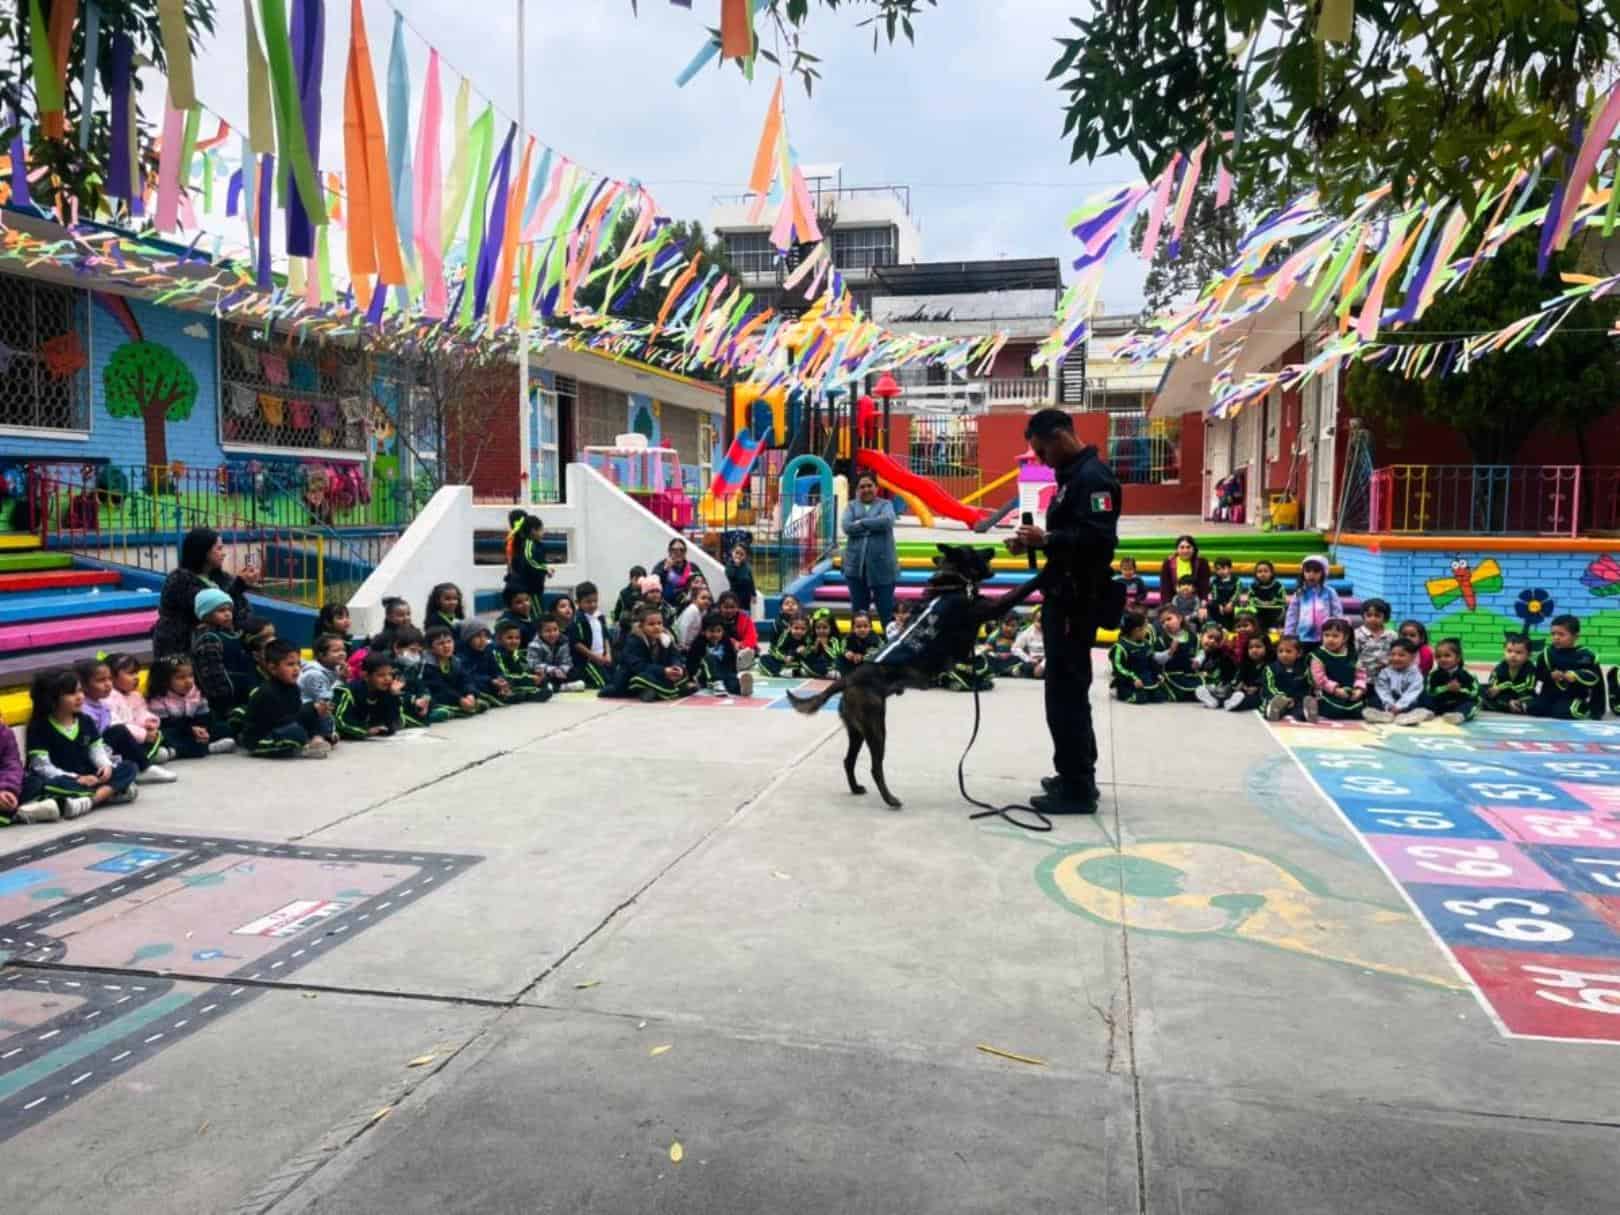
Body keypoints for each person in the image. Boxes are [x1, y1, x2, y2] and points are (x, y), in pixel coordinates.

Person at [1009, 409, 1122, 813]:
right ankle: (1075, 773)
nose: (1041, 460)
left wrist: (1049, 538)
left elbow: (1099, 540)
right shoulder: (1073, 476)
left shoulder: (1093, 478)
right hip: (1063, 596)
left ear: (1059, 437)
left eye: (1041, 451)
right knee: (1064, 692)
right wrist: (1036, 543)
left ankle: (1077, 788)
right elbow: (1069, 537)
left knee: (1067, 694)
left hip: (1078, 600)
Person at [23, 668, 139, 816]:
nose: (79, 697)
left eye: (80, 691)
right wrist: (77, 778)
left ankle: (92, 800)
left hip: (90, 777)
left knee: (129, 767)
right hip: (65, 779)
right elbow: (42, 767)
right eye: (71, 693)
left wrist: (105, 766)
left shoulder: (85, 721)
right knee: (42, 785)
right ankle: (112, 792)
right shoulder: (39, 727)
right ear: (51, 698)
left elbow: (97, 750)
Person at [153, 527, 259, 658]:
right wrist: (239, 586)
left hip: (218, 647)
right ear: (203, 550)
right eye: (218, 549)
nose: (223, 553)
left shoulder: (223, 578)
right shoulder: (180, 579)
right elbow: (209, 605)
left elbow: (241, 609)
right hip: (180, 648)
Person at [76, 656, 177, 783]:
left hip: (106, 750)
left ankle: (140, 764)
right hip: (93, 755)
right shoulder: (84, 709)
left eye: (109, 679)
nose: (108, 684)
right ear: (84, 685)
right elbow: (93, 741)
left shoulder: (101, 703)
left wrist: (147, 723)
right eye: (101, 680)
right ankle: (144, 768)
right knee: (118, 731)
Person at [236, 639, 336, 758]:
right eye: (290, 664)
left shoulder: (293, 688)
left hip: (287, 726)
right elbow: (283, 722)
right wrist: (311, 710)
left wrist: (318, 711)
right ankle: (308, 743)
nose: (296, 669)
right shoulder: (268, 692)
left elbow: (297, 714)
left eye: (298, 664)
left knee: (324, 718)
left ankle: (316, 738)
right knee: (295, 732)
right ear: (273, 669)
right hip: (263, 738)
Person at [841, 472, 899, 629]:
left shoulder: (886, 504)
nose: (866, 489)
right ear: (857, 490)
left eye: (869, 486)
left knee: (886, 612)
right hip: (855, 568)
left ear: (876, 487)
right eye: (862, 486)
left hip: (883, 568)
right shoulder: (851, 506)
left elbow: (887, 521)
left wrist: (861, 523)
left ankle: (891, 645)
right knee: (859, 612)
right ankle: (861, 646)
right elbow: (847, 527)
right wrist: (874, 525)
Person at [147, 655, 234, 759]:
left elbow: (205, 718)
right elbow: (165, 725)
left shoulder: (196, 693)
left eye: (190, 676)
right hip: (177, 731)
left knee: (225, 728)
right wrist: (191, 730)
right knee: (164, 736)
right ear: (164, 681)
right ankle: (207, 748)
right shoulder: (158, 700)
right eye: (180, 677)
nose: (188, 681)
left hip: (195, 731)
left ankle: (198, 747)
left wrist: (203, 731)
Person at [611, 606, 696, 701]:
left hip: (658, 673)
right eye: (651, 624)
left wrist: (676, 667)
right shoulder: (634, 641)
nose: (656, 627)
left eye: (659, 623)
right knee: (640, 679)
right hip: (635, 675)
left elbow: (675, 655)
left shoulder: (665, 638)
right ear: (641, 626)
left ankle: (653, 691)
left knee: (683, 670)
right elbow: (639, 666)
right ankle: (673, 690)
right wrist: (663, 671)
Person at [105, 651, 175, 768]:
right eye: (131, 673)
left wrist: (148, 723)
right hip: (122, 743)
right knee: (161, 752)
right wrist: (144, 734)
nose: (136, 677)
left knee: (164, 734)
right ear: (112, 677)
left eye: (136, 673)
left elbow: (141, 713)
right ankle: (139, 761)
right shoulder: (108, 697)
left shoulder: (135, 695)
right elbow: (116, 724)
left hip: (139, 737)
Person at [1531, 614, 1603, 719]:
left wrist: (1576, 675)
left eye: (1561, 634)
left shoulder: (1585, 655)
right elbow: (1538, 675)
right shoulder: (1547, 653)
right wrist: (1550, 675)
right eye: (1553, 634)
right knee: (1534, 708)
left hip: (1573, 695)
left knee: (1562, 712)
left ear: (1576, 636)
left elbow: (1595, 678)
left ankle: (1583, 707)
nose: (1556, 637)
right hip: (1550, 694)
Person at [0, 706, 59, 824]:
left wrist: (7, 790)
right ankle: (19, 814)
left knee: (33, 783)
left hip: (3, 787)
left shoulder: (4, 733)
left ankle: (12, 812)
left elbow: (12, 765)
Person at [334, 652, 405, 738]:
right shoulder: (347, 692)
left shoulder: (387, 692)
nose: (388, 679)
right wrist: (365, 730)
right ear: (365, 675)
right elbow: (340, 721)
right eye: (381, 675)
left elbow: (397, 722)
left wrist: (393, 696)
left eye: (390, 674)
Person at [424, 625, 487, 716]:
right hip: (439, 697)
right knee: (441, 708)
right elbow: (440, 688)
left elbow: (465, 680)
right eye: (440, 643)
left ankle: (464, 706)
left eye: (449, 642)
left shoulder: (455, 661)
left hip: (456, 695)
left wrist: (470, 694)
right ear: (430, 648)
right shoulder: (427, 666)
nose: (446, 646)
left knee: (479, 702)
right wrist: (459, 699)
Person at [1308, 618, 1365, 720]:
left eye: (1335, 636)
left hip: (1349, 693)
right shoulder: (1318, 655)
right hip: (1327, 693)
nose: (1330, 639)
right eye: (1327, 635)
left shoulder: (1352, 655)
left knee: (1359, 710)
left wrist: (1359, 690)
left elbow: (1360, 675)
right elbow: (1319, 680)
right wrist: (1336, 690)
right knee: (1334, 711)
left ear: (1345, 638)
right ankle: (1311, 709)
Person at [1283, 555, 1341, 651]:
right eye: (1308, 571)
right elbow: (1292, 615)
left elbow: (1337, 613)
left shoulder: (1329, 592)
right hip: (1303, 637)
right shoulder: (1300, 593)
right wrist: (1288, 635)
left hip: (1325, 637)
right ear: (1303, 573)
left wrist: (1338, 633)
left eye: (1316, 571)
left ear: (1323, 573)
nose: (1311, 574)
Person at [1363, 639, 1426, 725]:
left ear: (1413, 657)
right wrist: (1390, 705)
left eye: (1401, 655)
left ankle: (1407, 716)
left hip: (1407, 701)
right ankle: (1385, 715)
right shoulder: (1385, 672)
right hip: (1390, 701)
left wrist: (1400, 706)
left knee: (1424, 699)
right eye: (1392, 654)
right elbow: (1382, 690)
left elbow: (1413, 691)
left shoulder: (1415, 673)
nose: (1396, 658)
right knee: (1374, 700)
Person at [686, 610, 748, 696]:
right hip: (703, 674)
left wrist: (733, 674)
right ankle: (716, 684)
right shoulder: (699, 643)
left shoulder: (726, 641)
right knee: (710, 657)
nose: (715, 634)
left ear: (723, 631)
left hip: (722, 671)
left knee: (732, 682)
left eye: (718, 631)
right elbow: (691, 662)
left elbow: (731, 659)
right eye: (711, 631)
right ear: (703, 632)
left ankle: (740, 687)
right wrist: (690, 679)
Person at [567, 582, 616, 689]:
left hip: (602, 658)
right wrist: (593, 657)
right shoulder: (578, 620)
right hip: (587, 662)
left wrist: (608, 654)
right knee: (603, 684)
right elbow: (576, 643)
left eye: (595, 601)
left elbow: (606, 636)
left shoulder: (599, 617)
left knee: (616, 678)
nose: (593, 605)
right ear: (578, 603)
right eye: (588, 602)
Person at [1109, 612, 1166, 703]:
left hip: (1146, 678)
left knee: (1159, 697)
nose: (1147, 630)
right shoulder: (1120, 647)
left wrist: (1158, 674)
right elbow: (1118, 667)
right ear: (1137, 630)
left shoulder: (1146, 644)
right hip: (1129, 681)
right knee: (1140, 698)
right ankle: (1121, 692)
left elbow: (1151, 661)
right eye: (1145, 627)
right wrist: (1133, 678)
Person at [1423, 638, 1481, 724]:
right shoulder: (1433, 675)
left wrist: (1460, 690)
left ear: (1458, 658)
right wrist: (1446, 688)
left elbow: (1475, 693)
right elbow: (1429, 691)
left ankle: (1459, 716)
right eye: (1438, 656)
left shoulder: (1468, 675)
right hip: (1440, 704)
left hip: (1459, 703)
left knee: (1472, 704)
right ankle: (1425, 713)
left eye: (1447, 656)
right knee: (1424, 699)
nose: (1442, 659)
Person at [459, 619, 513, 706]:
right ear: (468, 638)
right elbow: (469, 677)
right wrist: (491, 681)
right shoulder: (463, 657)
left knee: (508, 682)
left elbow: (496, 670)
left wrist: (501, 679)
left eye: (485, 636)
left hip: (491, 684)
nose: (482, 640)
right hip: (478, 686)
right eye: (478, 636)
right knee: (474, 687)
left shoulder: (488, 651)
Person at [494, 620, 552, 702]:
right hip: (501, 682)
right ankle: (523, 695)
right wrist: (531, 679)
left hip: (514, 680)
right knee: (511, 683)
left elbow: (520, 671)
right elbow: (505, 675)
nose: (514, 641)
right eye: (509, 638)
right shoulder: (496, 653)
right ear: (499, 639)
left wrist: (535, 674)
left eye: (517, 638)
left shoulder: (514, 652)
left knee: (543, 680)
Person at [1153, 608, 1201, 701]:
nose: (1166, 623)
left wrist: (1198, 660)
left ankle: (1209, 695)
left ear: (1179, 618)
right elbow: (1156, 659)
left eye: (1169, 619)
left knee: (1202, 684)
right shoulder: (1161, 640)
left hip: (1190, 675)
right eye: (1162, 622)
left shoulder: (1193, 637)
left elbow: (1200, 652)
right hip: (1171, 676)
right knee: (1176, 693)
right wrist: (1169, 652)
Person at [1483, 634, 1537, 714]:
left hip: (1522, 696)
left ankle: (1516, 706)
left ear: (1528, 655)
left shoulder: (1530, 668)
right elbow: (1493, 680)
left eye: (1518, 652)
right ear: (1504, 651)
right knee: (1482, 691)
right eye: (1509, 651)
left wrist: (1506, 686)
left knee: (1535, 701)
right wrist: (1493, 689)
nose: (1513, 655)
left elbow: (1528, 686)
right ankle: (1509, 706)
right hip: (1505, 696)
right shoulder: (1501, 666)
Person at [528, 616, 584, 694]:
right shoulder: (534, 645)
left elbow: (567, 662)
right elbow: (534, 664)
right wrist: (553, 670)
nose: (552, 634)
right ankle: (561, 687)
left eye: (555, 630)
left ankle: (556, 687)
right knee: (536, 675)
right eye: (548, 631)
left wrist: (562, 670)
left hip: (559, 673)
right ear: (539, 632)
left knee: (576, 672)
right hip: (546, 672)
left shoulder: (563, 641)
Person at [1264, 636, 1314, 722]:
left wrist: (1296, 699)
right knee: (1271, 705)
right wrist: (1283, 698)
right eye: (1280, 651)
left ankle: (1308, 713)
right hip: (1278, 698)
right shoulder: (1271, 668)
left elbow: (1307, 686)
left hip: (1296, 700)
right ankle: (1272, 711)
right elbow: (1269, 687)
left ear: (1299, 653)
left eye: (1288, 651)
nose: (1284, 654)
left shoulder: (1304, 669)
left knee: (1300, 708)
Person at [1223, 632, 1274, 712]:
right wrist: (1240, 685)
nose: (1254, 650)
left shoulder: (1271, 665)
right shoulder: (1246, 664)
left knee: (1258, 700)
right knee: (1229, 690)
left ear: (1267, 647)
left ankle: (1234, 703)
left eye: (1258, 647)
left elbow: (1270, 683)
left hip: (1259, 693)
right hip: (1244, 691)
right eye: (1250, 648)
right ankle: (1220, 699)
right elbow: (1240, 678)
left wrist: (1257, 688)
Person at [1191, 623, 1238, 707]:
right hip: (1197, 680)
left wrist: (1224, 642)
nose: (1213, 641)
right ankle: (1215, 699)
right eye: (1210, 637)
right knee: (1198, 689)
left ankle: (1221, 697)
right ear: (1201, 636)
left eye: (1217, 640)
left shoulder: (1219, 653)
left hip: (1218, 683)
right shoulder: (1194, 647)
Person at [1157, 534, 1211, 605]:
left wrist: (1203, 602)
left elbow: (1204, 585)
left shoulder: (1202, 562)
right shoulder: (1168, 563)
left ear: (1194, 548)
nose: (1185, 551)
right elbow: (1165, 587)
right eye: (1182, 547)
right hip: (1174, 601)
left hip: (1196, 601)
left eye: (1188, 547)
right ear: (1177, 549)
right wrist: (1168, 604)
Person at [508, 514, 551, 601]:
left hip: (536, 586)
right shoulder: (529, 545)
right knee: (536, 612)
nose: (543, 532)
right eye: (541, 530)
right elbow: (530, 561)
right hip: (530, 589)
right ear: (533, 531)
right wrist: (545, 569)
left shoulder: (537, 545)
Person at [300, 635, 350, 709]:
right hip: (308, 712)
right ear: (321, 655)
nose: (342, 653)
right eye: (336, 651)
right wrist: (341, 679)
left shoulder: (336, 667)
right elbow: (327, 700)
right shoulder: (314, 674)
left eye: (343, 650)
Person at [715, 591, 758, 672]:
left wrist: (740, 645)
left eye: (732, 607)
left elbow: (752, 639)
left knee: (749, 651)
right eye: (726, 607)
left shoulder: (745, 619)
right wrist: (731, 643)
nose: (729, 610)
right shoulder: (714, 618)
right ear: (720, 607)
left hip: (740, 650)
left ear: (738, 607)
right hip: (720, 649)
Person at [1242, 559, 1287, 634]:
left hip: (1274, 614)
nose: (1263, 574)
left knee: (1283, 612)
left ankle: (1274, 628)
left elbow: (1282, 601)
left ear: (1271, 573)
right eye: (1259, 572)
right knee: (1250, 613)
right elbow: (1251, 600)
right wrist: (1261, 603)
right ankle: (1259, 629)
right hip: (1259, 613)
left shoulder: (1278, 585)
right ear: (1255, 574)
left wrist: (1270, 603)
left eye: (1266, 571)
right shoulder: (1253, 586)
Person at [1355, 599, 1395, 680]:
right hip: (1363, 679)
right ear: (1363, 616)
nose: (1373, 619)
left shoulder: (1392, 635)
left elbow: (1395, 653)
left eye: (1377, 615)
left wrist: (1388, 662)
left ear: (1385, 618)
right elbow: (1353, 656)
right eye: (1369, 615)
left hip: (1386, 679)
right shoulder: (1357, 634)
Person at [652, 537, 697, 606]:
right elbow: (653, 586)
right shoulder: (661, 566)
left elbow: (703, 586)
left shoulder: (692, 567)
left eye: (682, 550)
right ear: (669, 551)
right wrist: (665, 570)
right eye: (674, 550)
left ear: (685, 552)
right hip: (665, 607)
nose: (678, 553)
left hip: (687, 605)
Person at [499, 584, 543, 649]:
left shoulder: (530, 617)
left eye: (527, 599)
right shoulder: (508, 624)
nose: (525, 604)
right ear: (509, 606)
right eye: (519, 602)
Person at [614, 565, 649, 642]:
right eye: (636, 579)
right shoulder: (624, 592)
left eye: (641, 580)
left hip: (643, 621)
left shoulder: (647, 591)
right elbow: (618, 608)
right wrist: (615, 620)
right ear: (631, 579)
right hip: (628, 622)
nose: (639, 583)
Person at [1206, 557, 1241, 627]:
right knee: (1211, 606)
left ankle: (1233, 626)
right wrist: (1220, 605)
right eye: (1218, 569)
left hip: (1233, 604)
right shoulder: (1215, 581)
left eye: (1224, 568)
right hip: (1220, 604)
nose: (1221, 571)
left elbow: (1237, 593)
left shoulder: (1236, 580)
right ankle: (1217, 625)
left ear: (1230, 569)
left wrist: (1231, 603)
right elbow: (1215, 595)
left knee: (1239, 609)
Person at [724, 542, 756, 615]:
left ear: (745, 556)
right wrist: (736, 566)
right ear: (732, 552)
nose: (738, 556)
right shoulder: (730, 565)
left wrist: (753, 594)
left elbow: (751, 581)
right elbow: (730, 576)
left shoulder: (747, 566)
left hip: (746, 597)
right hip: (735, 595)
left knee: (745, 614)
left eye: (741, 554)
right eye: (737, 553)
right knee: (736, 614)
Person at [1013, 611, 1046, 679]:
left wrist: (1042, 665)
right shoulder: (1028, 632)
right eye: (1039, 621)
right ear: (1034, 620)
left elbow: (1056, 651)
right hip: (1033, 661)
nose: (1042, 624)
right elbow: (1015, 648)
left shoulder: (1054, 631)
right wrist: (1028, 659)